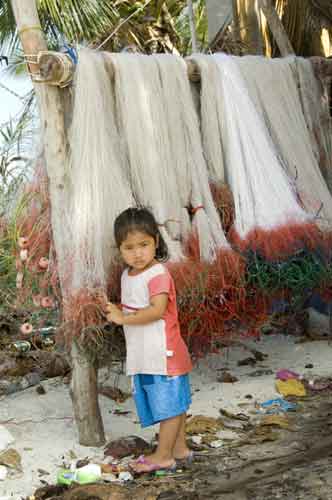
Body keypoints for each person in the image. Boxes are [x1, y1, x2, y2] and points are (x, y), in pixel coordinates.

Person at [106, 207, 193, 474]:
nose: (138, 253)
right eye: (129, 247)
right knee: (168, 403)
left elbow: (156, 310)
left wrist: (122, 318)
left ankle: (163, 456)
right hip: (145, 352)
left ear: (156, 241)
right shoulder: (127, 275)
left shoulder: (158, 274)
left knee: (169, 405)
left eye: (144, 244)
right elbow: (132, 306)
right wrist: (115, 310)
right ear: (120, 249)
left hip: (164, 352)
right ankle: (179, 449)